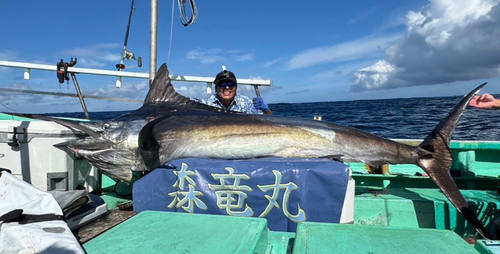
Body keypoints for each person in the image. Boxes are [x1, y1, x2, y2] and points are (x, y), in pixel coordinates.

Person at [196, 69, 272, 114]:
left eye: (231, 84)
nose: (227, 87)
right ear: (216, 89)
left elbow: (268, 121)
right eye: (222, 84)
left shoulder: (245, 103)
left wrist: (266, 110)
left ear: (236, 88)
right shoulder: (205, 105)